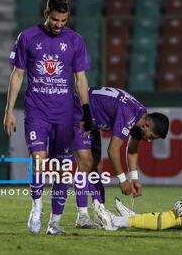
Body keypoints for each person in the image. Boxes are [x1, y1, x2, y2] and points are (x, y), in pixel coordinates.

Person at [3, 0, 92, 235]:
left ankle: (54, 223)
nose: (58, 25)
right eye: (54, 19)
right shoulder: (28, 37)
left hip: (64, 114)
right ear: (46, 13)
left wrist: (86, 111)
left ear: (67, 18)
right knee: (38, 160)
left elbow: (81, 79)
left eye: (63, 20)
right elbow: (18, 75)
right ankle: (36, 207)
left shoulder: (76, 41)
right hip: (37, 110)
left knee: (64, 168)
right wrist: (9, 110)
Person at [72, 87, 169, 228]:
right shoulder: (129, 114)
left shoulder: (140, 116)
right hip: (79, 112)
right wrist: (123, 180)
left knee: (97, 166)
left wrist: (134, 178)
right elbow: (112, 150)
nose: (149, 141)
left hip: (93, 120)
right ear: (146, 125)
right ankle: (82, 216)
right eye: (151, 137)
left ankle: (99, 212)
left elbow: (132, 150)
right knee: (86, 163)